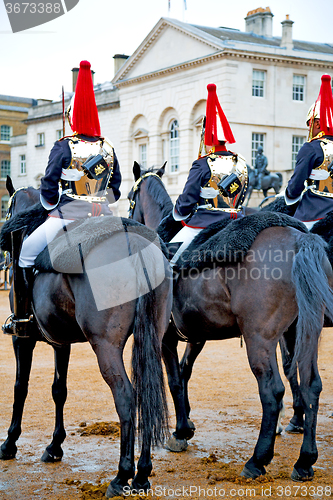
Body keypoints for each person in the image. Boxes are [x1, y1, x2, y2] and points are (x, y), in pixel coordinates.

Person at [2, 60, 121, 337]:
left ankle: (21, 319)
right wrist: (99, 202)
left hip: (66, 216)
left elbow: (47, 185)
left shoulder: (64, 145)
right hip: (103, 216)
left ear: (72, 118)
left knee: (26, 253)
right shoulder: (108, 148)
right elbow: (115, 187)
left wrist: (54, 205)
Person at [169, 83, 248, 264]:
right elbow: (242, 194)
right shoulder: (241, 163)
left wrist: (179, 211)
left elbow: (187, 201)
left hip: (206, 222)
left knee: (166, 258)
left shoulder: (202, 164)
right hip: (238, 222)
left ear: (207, 137)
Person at [285, 74, 333, 230]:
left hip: (314, 213)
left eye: (310, 124)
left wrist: (290, 196)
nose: (309, 129)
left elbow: (295, 187)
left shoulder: (312, 147)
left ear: (318, 123)